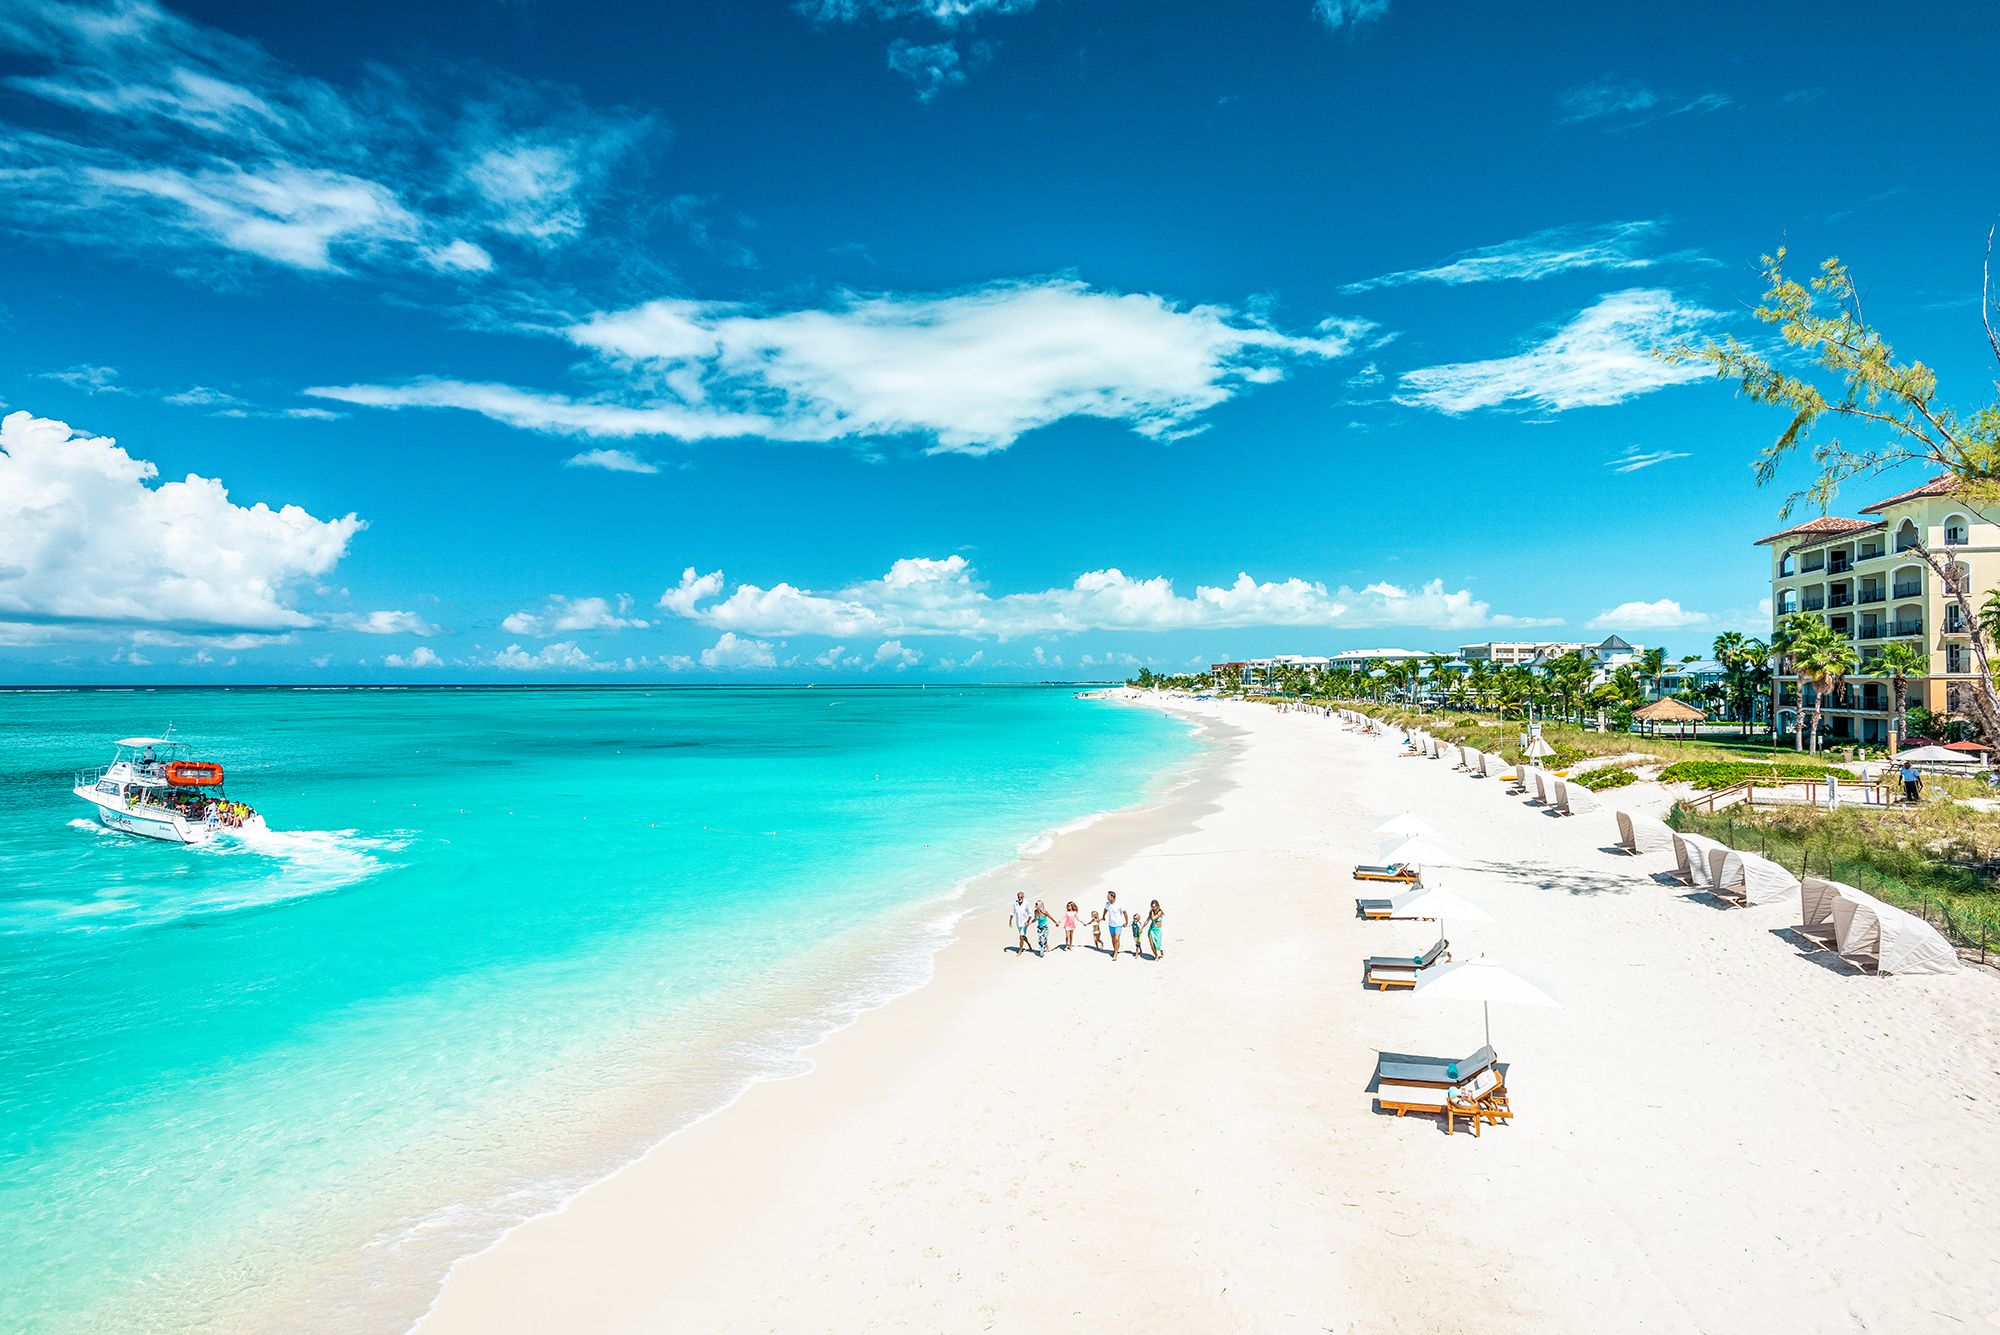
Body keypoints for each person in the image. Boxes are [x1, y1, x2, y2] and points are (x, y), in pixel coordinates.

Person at [1103, 891, 1129, 960]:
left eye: (1108, 896)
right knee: (1113, 939)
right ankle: (1115, 950)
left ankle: (1115, 954)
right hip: (1111, 924)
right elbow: (1105, 910)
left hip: (1118, 924)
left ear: (1112, 897)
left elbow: (1125, 913)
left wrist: (1126, 921)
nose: (1107, 897)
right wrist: (1103, 916)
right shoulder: (1107, 904)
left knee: (1117, 939)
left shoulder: (1119, 904)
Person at [1010, 891, 1035, 957]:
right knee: (1023, 936)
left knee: (1021, 937)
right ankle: (1029, 944)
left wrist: (1028, 921)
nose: (1019, 898)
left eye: (1021, 897)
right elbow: (1012, 912)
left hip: (1024, 923)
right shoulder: (1015, 903)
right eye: (1018, 897)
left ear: (1023, 897)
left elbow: (1030, 914)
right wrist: (1010, 921)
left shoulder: (1027, 903)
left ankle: (1020, 950)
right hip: (1018, 923)